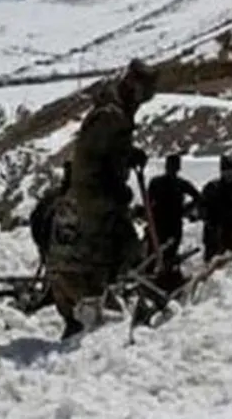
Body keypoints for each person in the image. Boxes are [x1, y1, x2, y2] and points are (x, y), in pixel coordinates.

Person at [49, 59, 157, 339]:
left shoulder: (118, 111)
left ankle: (98, 304)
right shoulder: (111, 114)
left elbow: (112, 149)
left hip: (100, 193)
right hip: (94, 195)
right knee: (110, 251)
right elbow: (93, 157)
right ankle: (86, 310)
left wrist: (128, 154)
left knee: (120, 249)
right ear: (134, 86)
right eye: (145, 94)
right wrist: (113, 185)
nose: (144, 101)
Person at [144, 154, 201, 269]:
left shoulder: (179, 183)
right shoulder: (157, 182)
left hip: (171, 225)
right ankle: (155, 275)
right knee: (154, 254)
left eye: (173, 167)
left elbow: (198, 198)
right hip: (160, 224)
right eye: (171, 166)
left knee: (165, 254)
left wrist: (185, 209)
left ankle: (166, 276)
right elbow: (148, 202)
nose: (172, 169)